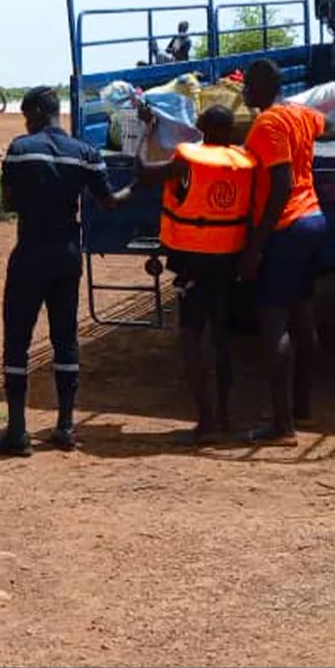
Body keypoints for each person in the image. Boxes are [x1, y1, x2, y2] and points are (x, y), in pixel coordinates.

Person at [0, 85, 126, 457]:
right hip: (67, 254)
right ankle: (64, 425)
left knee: (17, 339)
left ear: (36, 114)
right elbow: (109, 201)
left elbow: (7, 201)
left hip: (30, 251)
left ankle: (17, 432)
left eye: (28, 116)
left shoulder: (20, 150)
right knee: (65, 337)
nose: (26, 123)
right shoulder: (86, 153)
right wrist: (141, 182)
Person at [116, 105, 252, 445]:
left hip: (194, 261)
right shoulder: (243, 161)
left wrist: (146, 130)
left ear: (202, 128)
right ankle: (224, 416)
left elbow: (144, 171)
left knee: (191, 339)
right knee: (222, 340)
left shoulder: (187, 160)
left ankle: (205, 422)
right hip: (228, 259)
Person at [239, 60, 327, 447]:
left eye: (247, 87)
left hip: (286, 227)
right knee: (303, 315)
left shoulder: (268, 124)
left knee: (274, 325)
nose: (243, 94)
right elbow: (328, 125)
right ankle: (301, 405)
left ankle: (282, 426)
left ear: (261, 87)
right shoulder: (303, 115)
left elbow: (280, 185)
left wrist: (255, 246)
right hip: (314, 219)